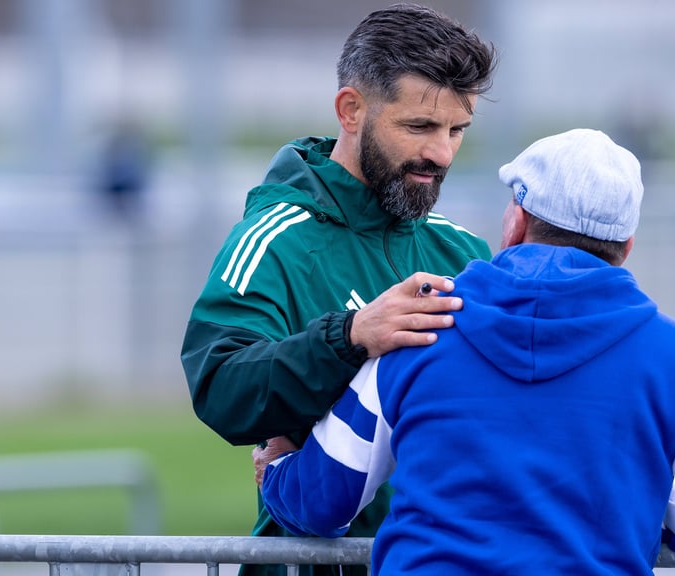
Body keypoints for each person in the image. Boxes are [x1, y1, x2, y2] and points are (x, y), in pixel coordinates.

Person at [254, 129, 675, 574]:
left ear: (516, 221)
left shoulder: (415, 329)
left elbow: (322, 499)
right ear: (626, 246)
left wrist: (277, 468)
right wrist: (641, 508)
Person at [180, 4, 497, 576]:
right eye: (420, 127)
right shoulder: (277, 239)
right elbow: (220, 386)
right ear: (351, 111)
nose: (443, 153)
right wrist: (351, 338)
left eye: (457, 130)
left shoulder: (465, 254)